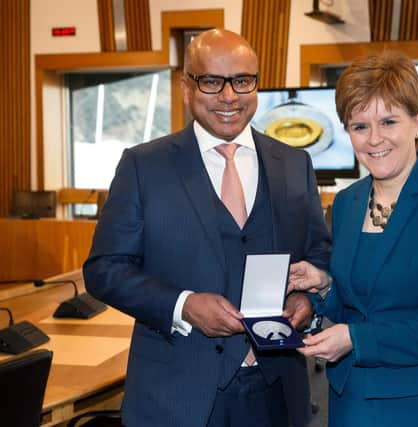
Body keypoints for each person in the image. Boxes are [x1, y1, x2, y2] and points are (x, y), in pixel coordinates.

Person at [83, 29, 331, 427]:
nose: (229, 96)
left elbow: (319, 256)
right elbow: (104, 269)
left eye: (242, 80)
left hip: (278, 395)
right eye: (212, 82)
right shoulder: (143, 166)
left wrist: (306, 301)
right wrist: (182, 305)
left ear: (256, 84)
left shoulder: (295, 163)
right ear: (186, 87)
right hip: (177, 394)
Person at [288, 51, 418, 427]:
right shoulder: (347, 204)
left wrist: (357, 339)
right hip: (353, 395)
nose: (374, 139)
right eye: (359, 126)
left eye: (388, 121)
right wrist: (324, 286)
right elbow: (358, 302)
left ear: (417, 122)